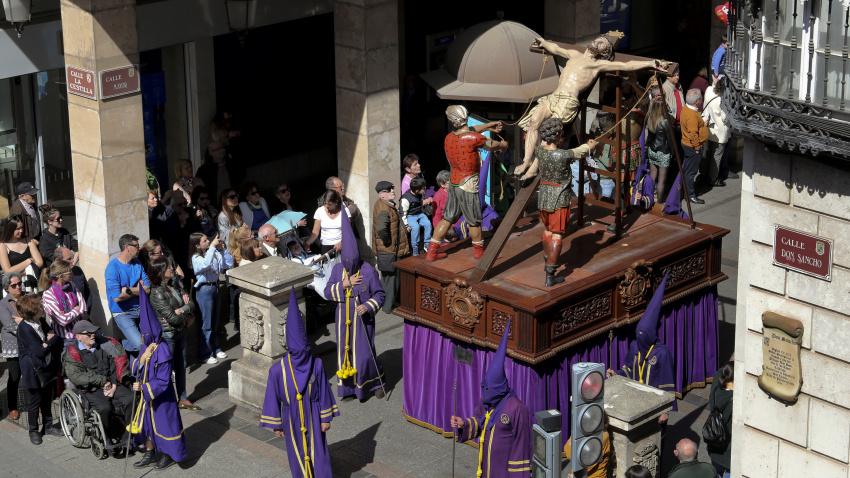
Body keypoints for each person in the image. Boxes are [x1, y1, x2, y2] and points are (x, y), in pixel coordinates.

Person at [514, 33, 669, 179]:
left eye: (602, 43)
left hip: (568, 101)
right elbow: (557, 49)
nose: (597, 41)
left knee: (550, 132)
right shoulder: (574, 54)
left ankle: (534, 168)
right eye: (598, 39)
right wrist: (544, 43)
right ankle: (527, 160)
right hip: (554, 96)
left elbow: (626, 65)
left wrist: (650, 63)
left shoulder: (598, 65)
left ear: (604, 52)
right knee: (533, 122)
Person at [261, 287, 339, 478]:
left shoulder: (317, 364)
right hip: (291, 417)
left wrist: (325, 418)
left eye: (306, 348)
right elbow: (272, 398)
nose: (304, 353)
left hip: (313, 413)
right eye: (299, 350)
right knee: (297, 455)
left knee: (319, 455)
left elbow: (324, 391)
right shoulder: (277, 370)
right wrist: (277, 425)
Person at [450, 319, 531, 477]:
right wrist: (463, 424)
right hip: (486, 467)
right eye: (484, 388)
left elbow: (521, 448)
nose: (486, 392)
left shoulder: (516, 408)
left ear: (500, 388)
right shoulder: (487, 399)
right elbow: (479, 421)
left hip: (503, 472)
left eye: (489, 389)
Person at [426, 105, 507, 262]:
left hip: (454, 182)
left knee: (447, 218)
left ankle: (431, 252)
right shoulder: (473, 138)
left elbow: (470, 129)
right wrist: (504, 145)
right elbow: (490, 143)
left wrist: (490, 125)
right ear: (465, 118)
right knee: (474, 220)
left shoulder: (449, 137)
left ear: (454, 123)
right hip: (468, 183)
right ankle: (479, 252)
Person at [324, 208, 386, 401]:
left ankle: (375, 382)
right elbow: (327, 292)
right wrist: (344, 284)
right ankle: (349, 388)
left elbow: (380, 294)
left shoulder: (368, 271)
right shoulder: (337, 270)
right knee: (345, 352)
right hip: (343, 318)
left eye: (352, 265)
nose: (349, 268)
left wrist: (368, 306)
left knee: (364, 354)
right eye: (346, 264)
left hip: (362, 319)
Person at [606, 272, 677, 427]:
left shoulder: (662, 353)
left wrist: (665, 410)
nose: (640, 339)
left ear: (650, 335)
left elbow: (667, 382)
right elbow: (629, 369)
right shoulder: (635, 346)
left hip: (653, 404)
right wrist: (616, 374)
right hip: (635, 400)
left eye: (643, 335)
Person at [129, 287, 189, 470]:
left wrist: (145, 388)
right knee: (148, 426)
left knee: (165, 426)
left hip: (162, 398)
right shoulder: (145, 346)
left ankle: (167, 454)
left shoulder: (162, 350)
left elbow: (163, 381)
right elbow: (134, 368)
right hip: (148, 399)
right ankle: (150, 452)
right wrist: (143, 358)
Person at [535, 118, 596, 286]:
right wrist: (590, 145)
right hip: (559, 199)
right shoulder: (562, 155)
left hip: (543, 198)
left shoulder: (539, 151)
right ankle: (550, 274)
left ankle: (548, 257)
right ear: (556, 134)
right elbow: (581, 151)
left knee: (548, 230)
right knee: (557, 234)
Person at [63, 320, 135, 453]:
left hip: (111, 384)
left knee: (131, 398)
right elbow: (77, 376)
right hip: (91, 388)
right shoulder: (72, 352)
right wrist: (102, 382)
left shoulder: (104, 346)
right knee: (104, 408)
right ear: (78, 336)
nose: (92, 335)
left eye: (93, 332)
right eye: (88, 333)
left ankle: (127, 437)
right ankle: (105, 437)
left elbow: (115, 366)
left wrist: (113, 384)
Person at [147, 257, 198, 411]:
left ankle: (182, 397)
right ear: (161, 272)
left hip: (180, 331)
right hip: (168, 335)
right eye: (169, 267)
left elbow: (191, 304)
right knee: (167, 368)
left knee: (181, 365)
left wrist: (181, 309)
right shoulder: (157, 292)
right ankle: (167, 400)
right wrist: (183, 312)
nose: (172, 269)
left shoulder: (174, 285)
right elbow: (172, 319)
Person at [16, 294, 62, 445]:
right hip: (33, 370)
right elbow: (40, 351)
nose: (43, 308)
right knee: (35, 401)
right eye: (41, 306)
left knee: (47, 398)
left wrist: (47, 342)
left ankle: (48, 426)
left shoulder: (40, 321)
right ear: (33, 310)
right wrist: (48, 342)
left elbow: (56, 337)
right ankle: (33, 431)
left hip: (45, 366)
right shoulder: (25, 328)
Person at [190, 232, 233, 364]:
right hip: (204, 290)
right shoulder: (196, 257)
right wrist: (214, 247)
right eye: (205, 241)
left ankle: (215, 348)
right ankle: (205, 353)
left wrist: (221, 249)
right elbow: (205, 264)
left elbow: (228, 264)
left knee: (214, 322)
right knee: (206, 324)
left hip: (215, 287)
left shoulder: (212, 252)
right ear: (197, 245)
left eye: (208, 240)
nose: (209, 242)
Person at [105, 234, 151, 355]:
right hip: (123, 313)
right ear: (127, 247)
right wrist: (137, 289)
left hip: (140, 308)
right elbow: (117, 297)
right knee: (139, 345)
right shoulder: (112, 268)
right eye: (136, 246)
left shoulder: (137, 263)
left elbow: (147, 289)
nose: (139, 248)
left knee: (150, 340)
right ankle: (122, 345)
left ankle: (137, 371)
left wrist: (128, 290)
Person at [372, 181, 410, 314]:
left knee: (391, 280)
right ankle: (388, 307)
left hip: (391, 251)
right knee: (391, 281)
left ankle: (389, 303)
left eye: (392, 188)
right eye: (388, 190)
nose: (392, 191)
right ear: (381, 194)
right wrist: (388, 242)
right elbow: (381, 229)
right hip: (390, 252)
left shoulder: (385, 204)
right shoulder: (384, 208)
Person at [39, 259, 87, 345]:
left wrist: (67, 313)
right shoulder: (49, 294)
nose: (72, 273)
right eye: (69, 272)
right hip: (64, 338)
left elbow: (83, 307)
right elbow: (62, 320)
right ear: (60, 276)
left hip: (79, 333)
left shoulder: (71, 285)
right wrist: (76, 310)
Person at [0, 272, 24, 420]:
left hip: (29, 344)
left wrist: (22, 321)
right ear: (7, 288)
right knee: (14, 377)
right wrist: (28, 325)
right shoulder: (3, 304)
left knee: (32, 375)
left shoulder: (28, 298)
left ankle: (37, 402)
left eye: (19, 283)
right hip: (13, 344)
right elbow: (9, 324)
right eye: (13, 285)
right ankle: (12, 407)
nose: (18, 287)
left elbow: (37, 316)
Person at [0, 215, 44, 293]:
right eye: (18, 229)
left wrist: (24, 271)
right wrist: (29, 261)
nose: (21, 231)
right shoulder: (3, 245)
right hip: (15, 287)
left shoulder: (28, 240)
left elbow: (40, 262)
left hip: (32, 282)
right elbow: (8, 271)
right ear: (10, 229)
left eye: (22, 227)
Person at [681, 88, 709, 204]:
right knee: (690, 172)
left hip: (688, 145)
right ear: (696, 101)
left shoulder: (687, 108)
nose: (702, 100)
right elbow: (693, 134)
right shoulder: (692, 115)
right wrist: (697, 149)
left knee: (688, 170)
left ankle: (687, 192)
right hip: (692, 147)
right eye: (701, 99)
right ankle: (690, 195)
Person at [701, 77, 731, 187]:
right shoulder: (722, 101)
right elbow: (725, 118)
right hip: (720, 132)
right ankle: (713, 179)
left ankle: (703, 174)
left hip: (709, 129)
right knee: (717, 156)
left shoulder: (709, 90)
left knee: (707, 154)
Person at [707, 361, 734, 478]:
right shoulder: (734, 399)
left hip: (714, 445)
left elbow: (719, 372)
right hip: (727, 451)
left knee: (715, 473)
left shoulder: (716, 387)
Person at [645, 93, 673, 202]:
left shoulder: (651, 118)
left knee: (652, 176)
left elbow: (650, 137)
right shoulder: (665, 122)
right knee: (661, 180)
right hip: (663, 151)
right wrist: (672, 152)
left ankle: (649, 199)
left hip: (652, 150)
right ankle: (660, 201)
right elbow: (670, 140)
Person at [306, 190, 346, 255]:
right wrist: (307, 243)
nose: (327, 206)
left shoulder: (344, 211)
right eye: (325, 203)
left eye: (330, 204)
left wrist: (341, 242)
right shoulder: (319, 211)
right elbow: (315, 231)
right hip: (325, 245)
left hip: (341, 245)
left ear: (336, 202)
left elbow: (347, 231)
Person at [401, 178, 432, 256]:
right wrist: (406, 225)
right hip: (410, 215)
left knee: (428, 224)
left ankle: (427, 243)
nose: (425, 190)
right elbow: (403, 213)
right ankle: (415, 246)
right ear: (417, 191)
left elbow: (419, 203)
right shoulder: (406, 199)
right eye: (423, 189)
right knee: (415, 228)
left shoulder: (419, 194)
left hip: (419, 213)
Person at [55, 247, 93, 311]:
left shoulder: (78, 270)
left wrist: (86, 312)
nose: (73, 260)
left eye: (72, 257)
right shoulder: (53, 278)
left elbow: (88, 292)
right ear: (58, 260)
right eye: (69, 259)